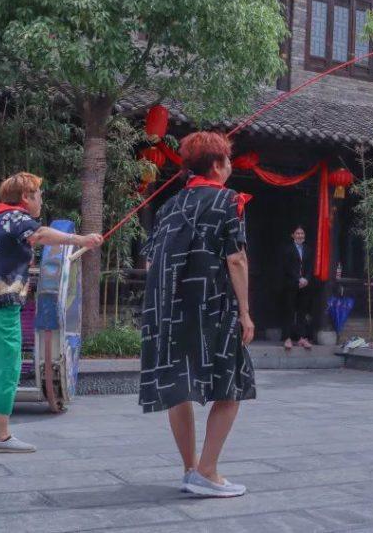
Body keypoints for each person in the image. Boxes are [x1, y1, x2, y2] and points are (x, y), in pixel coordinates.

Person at [140, 131, 256, 497]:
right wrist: (245, 312)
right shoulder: (227, 200)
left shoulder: (168, 206)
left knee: (179, 387)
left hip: (169, 311)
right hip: (213, 307)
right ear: (217, 165)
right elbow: (236, 259)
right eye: (228, 160)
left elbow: (150, 262)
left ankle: (191, 469)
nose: (230, 166)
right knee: (232, 386)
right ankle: (207, 471)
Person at [0, 173, 102, 453]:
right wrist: (81, 239)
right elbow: (40, 235)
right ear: (26, 197)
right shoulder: (16, 218)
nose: (41, 200)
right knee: (9, 367)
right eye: (39, 195)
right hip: (1, 302)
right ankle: (0, 436)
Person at [281, 225, 314, 350]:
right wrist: (298, 278)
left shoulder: (308, 250)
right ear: (293, 235)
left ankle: (301, 338)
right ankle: (287, 338)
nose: (300, 235)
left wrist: (306, 279)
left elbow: (310, 268)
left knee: (302, 312)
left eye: (302, 233)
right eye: (298, 233)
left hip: (304, 285)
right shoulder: (288, 249)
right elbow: (287, 267)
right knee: (289, 311)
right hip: (291, 284)